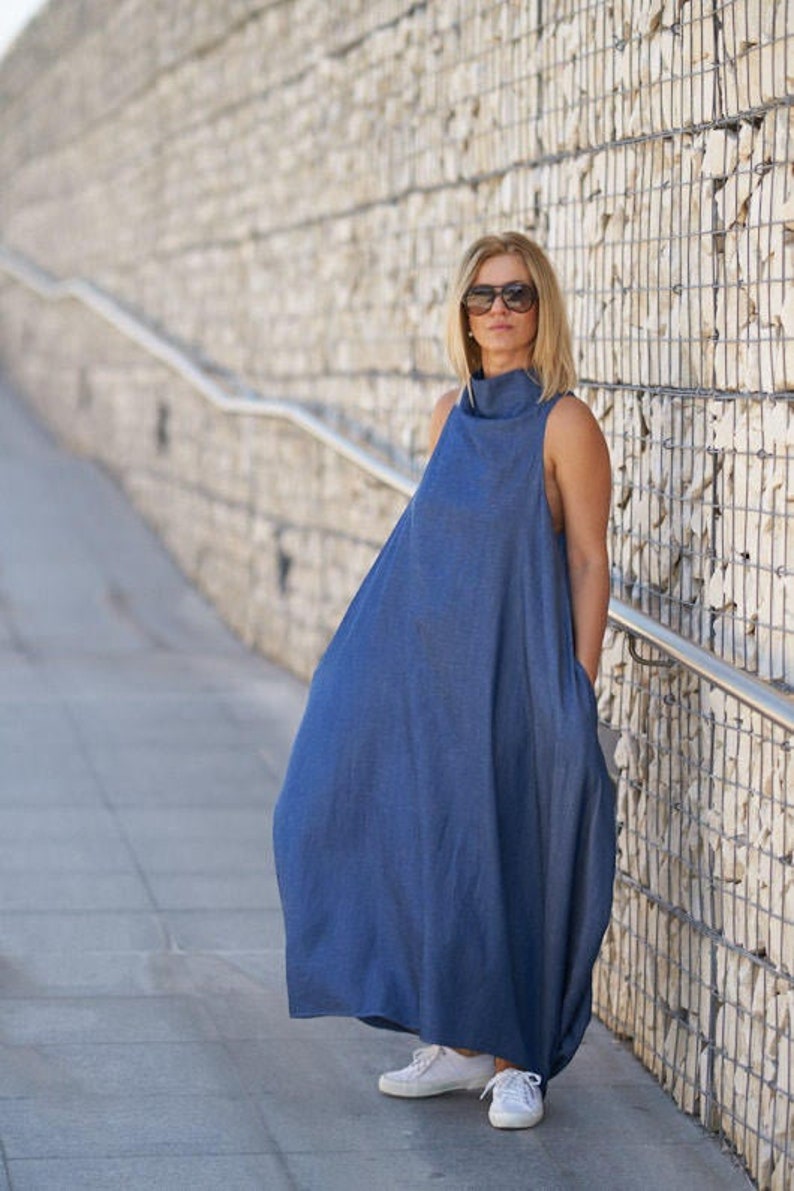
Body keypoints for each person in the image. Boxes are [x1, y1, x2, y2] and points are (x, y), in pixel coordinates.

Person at [273, 231, 616, 1130]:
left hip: (526, 675)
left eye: (516, 295)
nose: (498, 311)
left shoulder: (565, 422)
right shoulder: (445, 416)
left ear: (542, 311)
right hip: (442, 673)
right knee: (435, 845)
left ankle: (518, 1060)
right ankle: (460, 1042)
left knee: (517, 853)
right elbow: (433, 555)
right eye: (481, 296)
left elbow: (587, 561)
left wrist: (574, 689)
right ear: (461, 315)